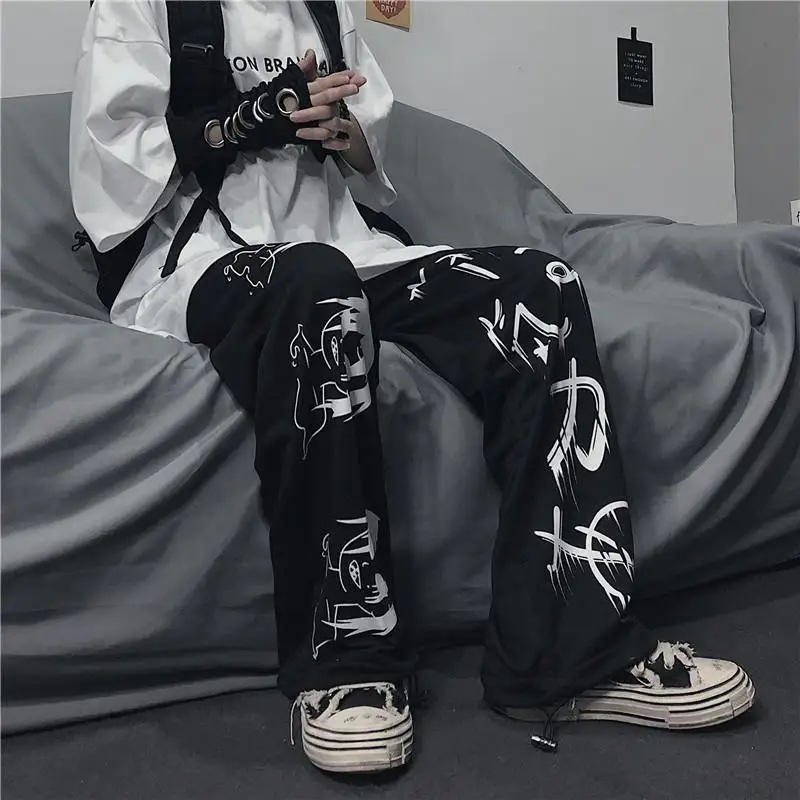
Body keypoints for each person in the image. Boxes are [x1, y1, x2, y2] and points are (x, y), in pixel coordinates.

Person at [70, 0, 755, 775]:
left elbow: (371, 141)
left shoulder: (321, 7)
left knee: (542, 288)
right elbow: (107, 168)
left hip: (344, 251)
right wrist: (244, 120)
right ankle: (346, 659)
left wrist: (339, 129)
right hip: (202, 266)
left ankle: (572, 651)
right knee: (316, 290)